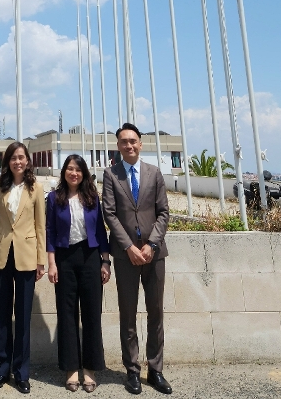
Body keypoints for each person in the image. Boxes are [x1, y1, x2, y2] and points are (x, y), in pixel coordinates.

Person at [101, 123, 171, 396]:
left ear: (141, 144)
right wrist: (129, 246)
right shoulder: (111, 174)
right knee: (128, 314)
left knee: (156, 313)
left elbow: (163, 212)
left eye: (133, 141)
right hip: (125, 255)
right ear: (118, 146)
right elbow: (110, 214)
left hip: (154, 254)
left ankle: (155, 369)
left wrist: (152, 244)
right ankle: (132, 370)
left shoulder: (154, 173)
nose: (128, 145)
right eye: (123, 142)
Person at [0, 142, 46, 395]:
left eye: (21, 157)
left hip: (27, 256)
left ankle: (21, 373)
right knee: (3, 315)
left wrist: (41, 260)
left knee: (23, 317)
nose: (17, 162)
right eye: (13, 158)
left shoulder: (36, 187)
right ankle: (1, 369)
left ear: (27, 160)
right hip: (1, 255)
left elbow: (40, 226)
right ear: (7, 162)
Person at [46, 154, 111, 394]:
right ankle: (71, 368)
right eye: (70, 169)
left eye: (78, 169)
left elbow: (101, 231)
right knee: (67, 314)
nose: (74, 173)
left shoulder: (92, 197)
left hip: (90, 256)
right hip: (64, 258)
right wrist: (51, 263)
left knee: (92, 313)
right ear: (64, 172)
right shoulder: (54, 198)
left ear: (84, 173)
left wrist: (106, 261)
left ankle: (90, 369)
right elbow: (50, 231)